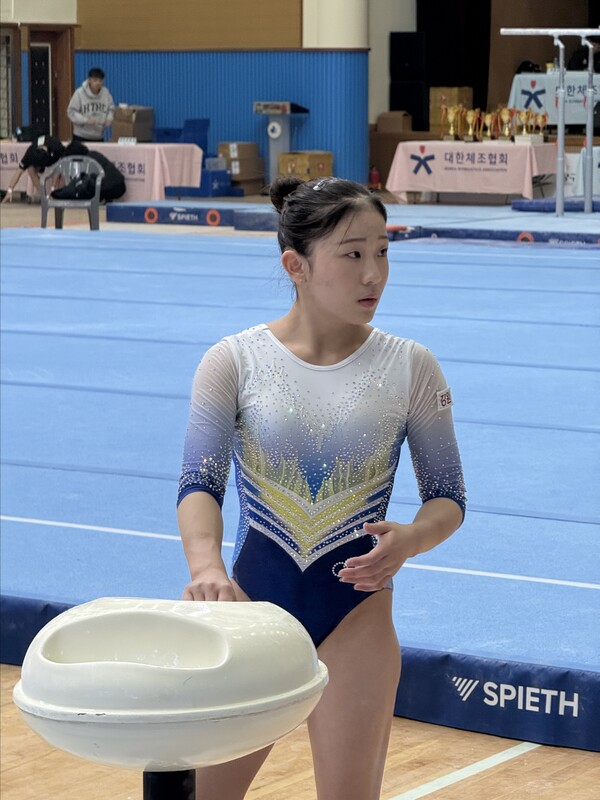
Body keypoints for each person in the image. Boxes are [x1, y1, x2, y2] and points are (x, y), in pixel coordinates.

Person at [177, 176, 466, 800]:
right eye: (353, 253)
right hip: (252, 608)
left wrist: (412, 538)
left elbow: (448, 495)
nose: (374, 275)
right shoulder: (233, 361)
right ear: (296, 265)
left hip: (356, 613)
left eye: (384, 251)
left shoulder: (412, 366)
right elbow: (200, 481)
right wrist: (204, 565)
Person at [1, 135, 65, 204]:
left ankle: (53, 193)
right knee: (30, 169)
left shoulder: (56, 147)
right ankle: (43, 195)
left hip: (56, 160)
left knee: (60, 164)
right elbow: (19, 172)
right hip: (39, 158)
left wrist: (53, 187)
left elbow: (62, 163)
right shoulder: (30, 153)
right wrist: (10, 190)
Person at [67, 67, 114, 142]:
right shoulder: (79, 93)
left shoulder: (106, 93)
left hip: (98, 136)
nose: (98, 83)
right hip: (81, 136)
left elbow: (111, 109)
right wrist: (85, 120)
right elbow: (71, 112)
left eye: (100, 81)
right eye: (95, 80)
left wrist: (109, 118)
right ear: (89, 80)